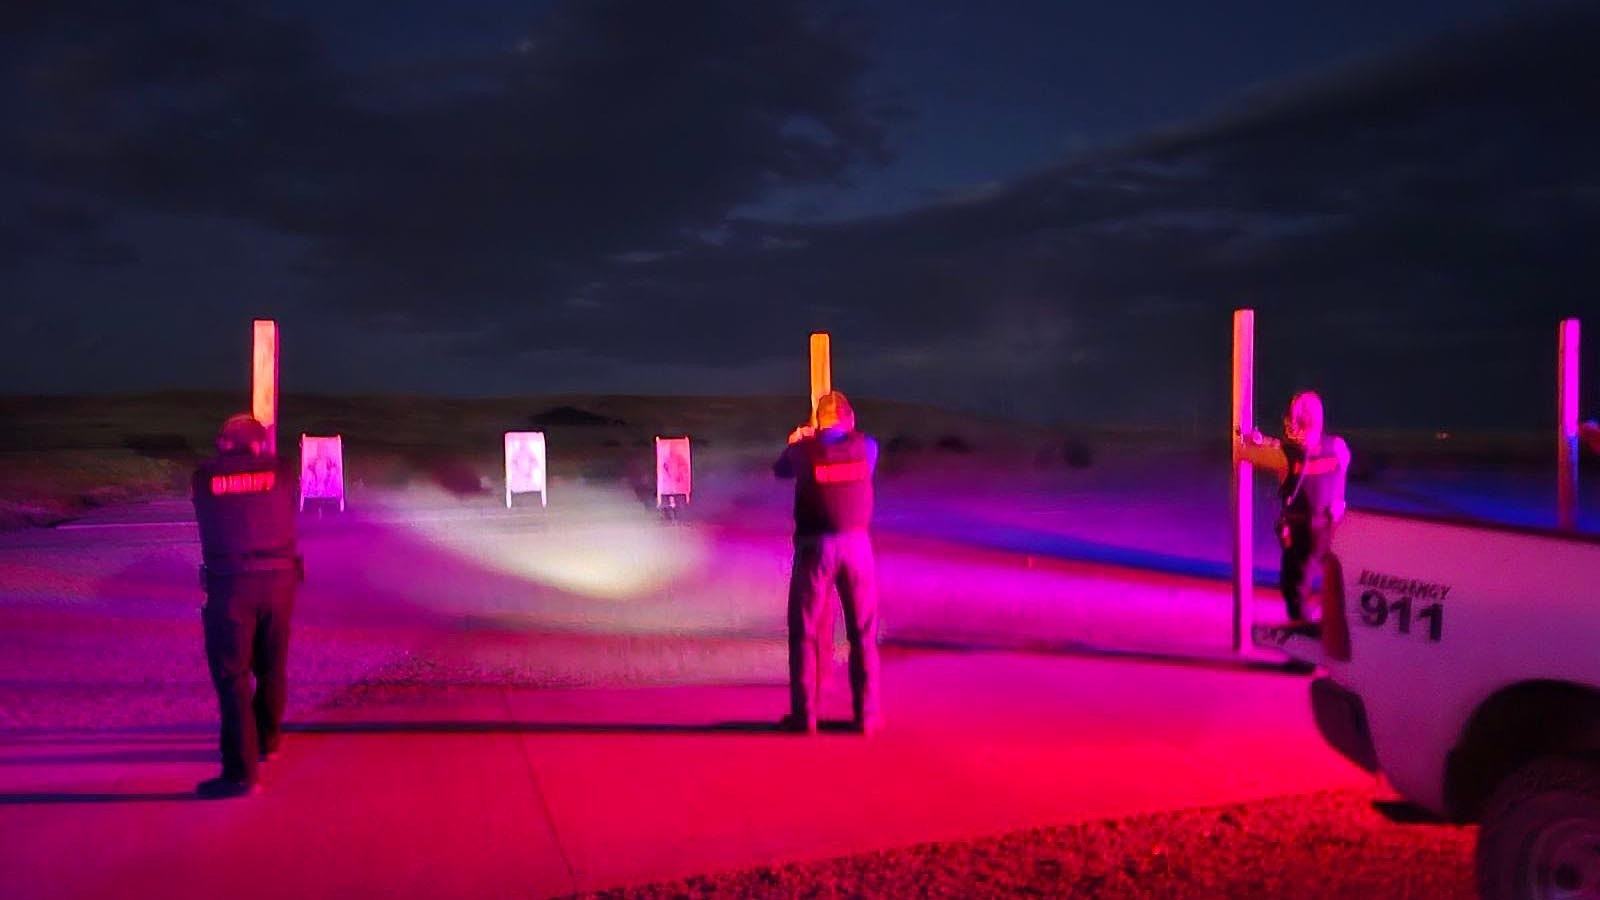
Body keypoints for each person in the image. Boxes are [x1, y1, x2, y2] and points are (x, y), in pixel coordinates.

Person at [191, 413, 302, 798]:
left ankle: (240, 773)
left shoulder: (205, 477)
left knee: (233, 677)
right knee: (271, 668)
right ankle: (267, 742)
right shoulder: (281, 471)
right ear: (259, 444)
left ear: (224, 443)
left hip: (231, 584)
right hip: (279, 581)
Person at [774, 391, 882, 736]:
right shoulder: (867, 447)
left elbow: (780, 470)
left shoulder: (804, 451)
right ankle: (866, 716)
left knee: (805, 631)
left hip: (815, 546)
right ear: (849, 419)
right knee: (863, 633)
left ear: (819, 419)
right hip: (857, 546)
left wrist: (797, 439)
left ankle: (805, 715)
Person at [1236, 391, 1351, 624]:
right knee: (1318, 585)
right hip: (1330, 529)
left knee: (1294, 589)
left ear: (1294, 421)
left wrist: (1246, 439)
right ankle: (1324, 630)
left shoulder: (1287, 459)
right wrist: (1268, 442)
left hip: (1301, 533)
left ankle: (1307, 650)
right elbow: (1312, 453)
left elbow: (1243, 453)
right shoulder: (1339, 447)